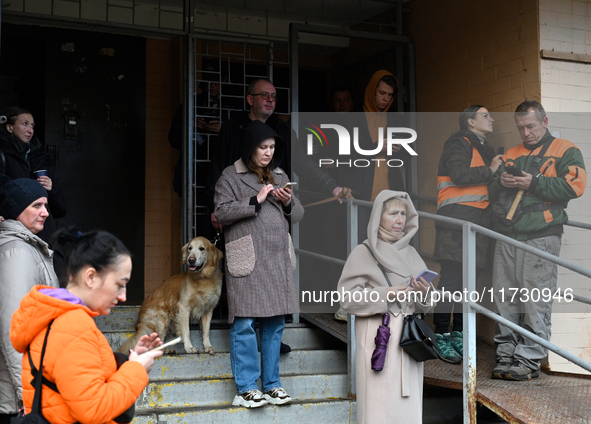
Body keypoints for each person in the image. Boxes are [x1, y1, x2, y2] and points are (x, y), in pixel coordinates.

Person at [9, 229, 164, 423]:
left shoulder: (54, 315)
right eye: (119, 284)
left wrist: (127, 362)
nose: (123, 296)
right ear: (90, 277)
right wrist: (135, 370)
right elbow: (93, 409)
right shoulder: (73, 326)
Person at [489, 100, 587, 381]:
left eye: (530, 126)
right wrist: (502, 183)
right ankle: (506, 355)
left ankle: (528, 359)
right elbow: (492, 191)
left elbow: (574, 187)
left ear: (544, 122)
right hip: (508, 234)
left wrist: (533, 183)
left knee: (535, 300)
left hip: (542, 235)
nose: (526, 132)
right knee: (504, 298)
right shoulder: (512, 153)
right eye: (521, 128)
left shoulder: (566, 150)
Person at [214, 120, 304, 408]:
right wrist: (256, 199)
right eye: (263, 147)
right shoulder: (230, 175)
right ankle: (246, 388)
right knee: (245, 323)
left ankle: (273, 385)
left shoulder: (279, 174)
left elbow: (299, 213)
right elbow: (222, 212)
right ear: (249, 148)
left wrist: (289, 202)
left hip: (276, 258)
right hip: (248, 259)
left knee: (276, 322)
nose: (268, 153)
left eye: (272, 147)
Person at [337, 190, 435, 424]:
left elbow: (427, 303)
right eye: (393, 213)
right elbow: (346, 298)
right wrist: (387, 293)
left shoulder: (412, 253)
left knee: (407, 408)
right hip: (378, 337)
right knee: (378, 407)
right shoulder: (364, 252)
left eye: (403, 213)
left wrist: (425, 293)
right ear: (379, 216)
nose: (400, 220)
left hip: (408, 339)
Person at [207, 78, 345, 233]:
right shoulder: (232, 128)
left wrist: (331, 186)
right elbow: (217, 167)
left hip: (274, 217)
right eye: (264, 95)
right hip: (240, 217)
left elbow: (305, 164)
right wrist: (215, 207)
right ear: (250, 99)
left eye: (273, 96)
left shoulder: (283, 130)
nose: (270, 100)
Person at [432, 105, 503, 363]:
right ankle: (441, 334)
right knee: (451, 283)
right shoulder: (458, 143)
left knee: (468, 286)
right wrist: (491, 170)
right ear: (470, 122)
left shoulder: (484, 148)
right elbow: (459, 175)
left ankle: (460, 334)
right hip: (456, 224)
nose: (491, 118)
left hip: (477, 225)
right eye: (486, 115)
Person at [0, 177, 59, 422]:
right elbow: (12, 329)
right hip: (17, 401)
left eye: (45, 205)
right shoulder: (17, 252)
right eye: (36, 205)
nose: (45, 212)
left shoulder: (29, 247)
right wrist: (27, 393)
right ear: (16, 210)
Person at [0, 107, 67, 243]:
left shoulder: (40, 156)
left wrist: (51, 187)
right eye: (24, 124)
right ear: (9, 128)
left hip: (44, 232)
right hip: (14, 231)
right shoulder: (2, 154)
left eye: (32, 126)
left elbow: (60, 209)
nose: (30, 130)